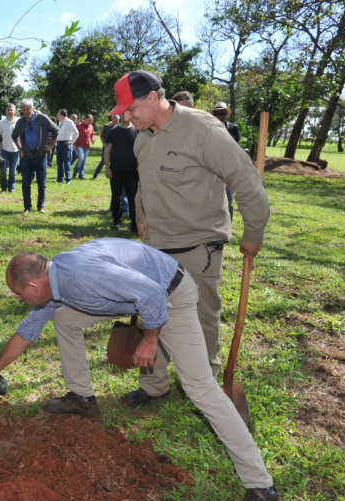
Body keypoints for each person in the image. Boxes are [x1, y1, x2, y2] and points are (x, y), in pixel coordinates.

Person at [0, 239, 288, 501]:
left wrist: (150, 340)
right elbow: (26, 332)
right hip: (142, 297)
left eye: (19, 294)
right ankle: (82, 398)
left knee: (200, 387)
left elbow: (151, 294)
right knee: (66, 318)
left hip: (171, 297)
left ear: (32, 285)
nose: (20, 300)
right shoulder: (54, 285)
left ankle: (264, 492)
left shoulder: (82, 275)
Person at [109, 70, 270, 407]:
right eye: (123, 111)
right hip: (156, 248)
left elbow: (246, 181)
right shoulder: (142, 138)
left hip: (199, 248)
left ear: (153, 98)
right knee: (154, 314)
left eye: (131, 109)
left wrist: (253, 232)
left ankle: (204, 385)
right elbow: (143, 186)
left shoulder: (202, 129)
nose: (127, 117)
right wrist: (141, 218)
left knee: (201, 319)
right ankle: (153, 384)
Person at [11, 99, 57, 214]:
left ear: (32, 108)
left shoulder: (42, 118)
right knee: (26, 183)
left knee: (41, 183)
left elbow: (55, 130)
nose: (27, 112)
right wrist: (20, 149)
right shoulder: (20, 122)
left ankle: (40, 206)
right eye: (24, 110)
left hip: (41, 156)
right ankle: (28, 207)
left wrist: (51, 145)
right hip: (27, 157)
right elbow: (14, 135)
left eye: (28, 109)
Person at [103, 115, 139, 232]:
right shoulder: (113, 132)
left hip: (133, 171)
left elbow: (142, 149)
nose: (125, 116)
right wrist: (107, 168)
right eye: (123, 114)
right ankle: (117, 222)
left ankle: (134, 223)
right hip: (116, 170)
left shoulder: (137, 130)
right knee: (116, 197)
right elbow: (107, 150)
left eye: (128, 113)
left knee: (133, 198)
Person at [0, 104, 20, 193]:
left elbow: (21, 137)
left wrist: (20, 148)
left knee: (12, 171)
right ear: (6, 112)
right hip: (4, 150)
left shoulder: (19, 123)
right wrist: (0, 148)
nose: (10, 111)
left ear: (15, 112)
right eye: (8, 110)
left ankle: (11, 187)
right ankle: (3, 188)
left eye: (11, 110)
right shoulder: (1, 123)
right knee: (3, 170)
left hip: (15, 150)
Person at [54, 109, 79, 184]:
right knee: (59, 162)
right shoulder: (61, 122)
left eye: (58, 114)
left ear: (61, 115)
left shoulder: (69, 122)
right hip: (59, 144)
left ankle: (68, 179)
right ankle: (60, 178)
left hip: (66, 145)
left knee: (66, 162)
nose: (57, 116)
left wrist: (71, 142)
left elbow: (76, 133)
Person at [91, 115, 119, 179]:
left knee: (114, 161)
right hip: (107, 146)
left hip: (115, 147)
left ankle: (113, 175)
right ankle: (95, 175)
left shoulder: (119, 127)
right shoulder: (107, 126)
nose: (116, 122)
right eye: (115, 121)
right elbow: (102, 136)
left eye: (117, 121)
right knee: (103, 161)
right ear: (112, 120)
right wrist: (104, 144)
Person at [71, 114, 95, 180]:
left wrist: (93, 139)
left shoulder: (91, 126)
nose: (90, 122)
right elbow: (74, 135)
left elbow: (92, 135)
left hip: (86, 146)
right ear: (85, 119)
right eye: (89, 120)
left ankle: (81, 174)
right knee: (81, 158)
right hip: (79, 145)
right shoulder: (78, 125)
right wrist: (73, 144)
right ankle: (75, 172)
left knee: (84, 161)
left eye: (91, 121)